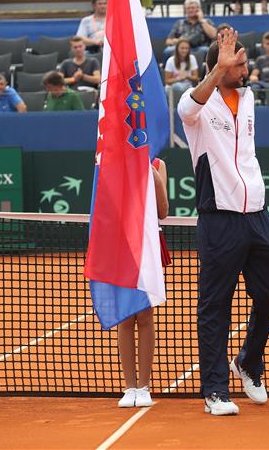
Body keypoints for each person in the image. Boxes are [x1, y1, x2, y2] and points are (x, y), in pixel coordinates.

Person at [176, 30, 269, 416]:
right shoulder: (198, 108)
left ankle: (248, 362)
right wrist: (216, 70)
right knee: (215, 305)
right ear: (217, 67)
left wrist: (228, 68)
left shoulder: (250, 96)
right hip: (218, 218)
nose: (245, 68)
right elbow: (185, 109)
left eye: (242, 62)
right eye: (237, 64)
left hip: (257, 214)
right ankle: (216, 390)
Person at [117, 157, 169, 408]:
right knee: (126, 317)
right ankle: (129, 388)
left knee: (145, 316)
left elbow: (163, 211)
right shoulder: (109, 163)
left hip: (148, 245)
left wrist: (154, 176)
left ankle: (144, 387)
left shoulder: (158, 164)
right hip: (122, 244)